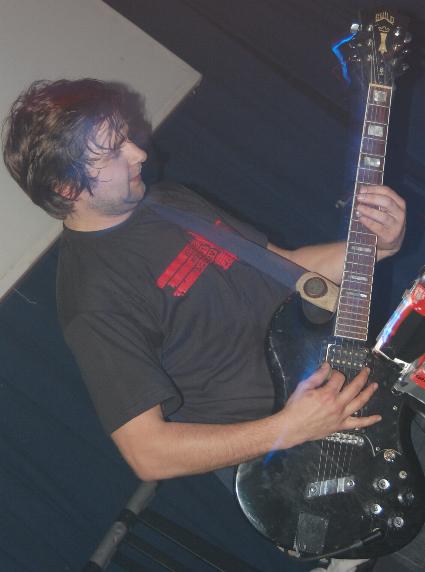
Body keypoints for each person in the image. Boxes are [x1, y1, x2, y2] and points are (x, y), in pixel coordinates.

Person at [2, 79, 409, 571]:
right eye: (113, 151)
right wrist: (289, 427)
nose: (138, 152)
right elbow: (148, 453)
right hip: (312, 468)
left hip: (358, 396)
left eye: (126, 135)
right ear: (67, 189)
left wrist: (377, 245)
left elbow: (288, 268)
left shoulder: (170, 200)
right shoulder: (92, 296)